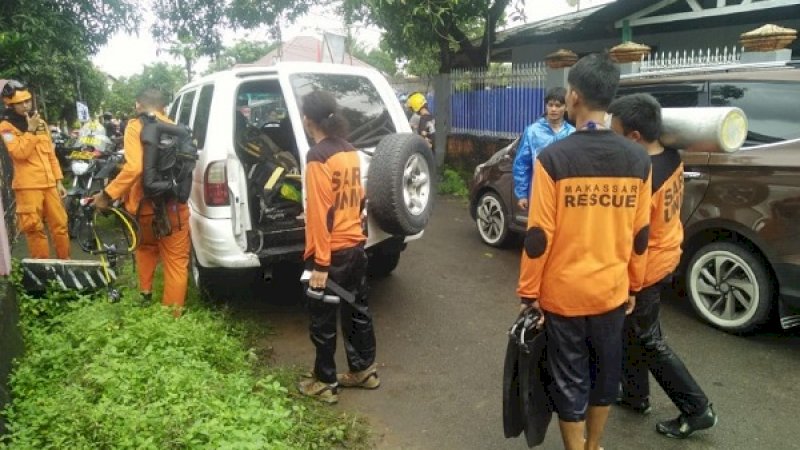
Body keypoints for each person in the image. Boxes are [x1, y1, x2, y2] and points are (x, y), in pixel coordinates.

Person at [516, 53, 652, 450]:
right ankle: (594, 446)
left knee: (569, 376)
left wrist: (529, 292)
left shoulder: (553, 159)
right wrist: (634, 284)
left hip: (563, 296)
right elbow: (640, 233)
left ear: (573, 96)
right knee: (603, 375)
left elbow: (539, 236)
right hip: (611, 292)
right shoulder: (637, 159)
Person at [608, 93, 717, 438]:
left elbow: (634, 238)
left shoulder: (644, 177)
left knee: (650, 340)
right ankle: (636, 395)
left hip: (649, 265)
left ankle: (697, 408)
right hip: (669, 250)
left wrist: (631, 287)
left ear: (635, 137)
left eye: (616, 133)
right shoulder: (671, 155)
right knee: (632, 333)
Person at [296, 90, 378, 404]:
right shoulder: (349, 150)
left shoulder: (317, 155)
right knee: (358, 311)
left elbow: (320, 211)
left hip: (331, 251)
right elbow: (357, 199)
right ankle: (363, 371)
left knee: (323, 319)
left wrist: (320, 264)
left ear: (307, 119)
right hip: (355, 245)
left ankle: (325, 382)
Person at [92, 88, 190, 316]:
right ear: (164, 107)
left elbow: (135, 167)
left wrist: (107, 195)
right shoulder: (178, 129)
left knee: (145, 247)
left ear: (138, 105)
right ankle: (173, 316)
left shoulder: (136, 126)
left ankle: (145, 294)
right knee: (176, 261)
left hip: (144, 207)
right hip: (174, 207)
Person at [0, 79, 70, 259]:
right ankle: (43, 271)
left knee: (60, 225)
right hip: (28, 187)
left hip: (49, 184)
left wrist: (59, 181)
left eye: (27, 101)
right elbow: (18, 153)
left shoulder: (40, 123)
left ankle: (66, 264)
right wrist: (29, 131)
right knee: (34, 229)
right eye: (20, 103)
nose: (26, 105)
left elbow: (51, 154)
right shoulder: (6, 127)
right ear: (10, 105)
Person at [512, 87, 575, 210]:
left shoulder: (572, 133)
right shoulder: (532, 131)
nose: (553, 109)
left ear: (566, 107)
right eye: (550, 105)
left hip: (566, 193)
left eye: (558, 105)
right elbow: (522, 164)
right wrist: (522, 194)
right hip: (539, 192)